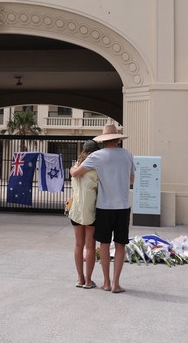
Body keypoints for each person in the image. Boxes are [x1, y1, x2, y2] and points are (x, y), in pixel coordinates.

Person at [69, 124, 134, 294]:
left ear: (104, 141)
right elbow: (132, 180)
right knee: (120, 244)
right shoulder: (127, 155)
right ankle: (116, 284)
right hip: (123, 206)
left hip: (104, 207)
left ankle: (106, 282)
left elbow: (76, 173)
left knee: (104, 244)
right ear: (118, 140)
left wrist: (72, 169)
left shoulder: (97, 156)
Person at [67, 139, 99, 289]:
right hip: (91, 210)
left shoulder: (75, 168)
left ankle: (80, 278)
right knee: (90, 246)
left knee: (79, 245)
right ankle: (88, 280)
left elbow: (73, 174)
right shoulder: (95, 169)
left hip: (76, 210)